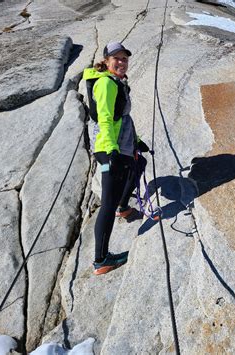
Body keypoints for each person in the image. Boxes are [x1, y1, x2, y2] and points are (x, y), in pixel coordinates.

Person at [83, 41, 149, 275]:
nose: (122, 62)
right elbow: (105, 119)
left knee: (139, 163)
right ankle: (101, 259)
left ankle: (124, 207)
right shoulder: (106, 84)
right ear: (106, 61)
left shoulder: (117, 82)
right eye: (117, 58)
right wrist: (111, 151)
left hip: (121, 143)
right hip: (109, 148)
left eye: (124, 58)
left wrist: (136, 139)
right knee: (107, 203)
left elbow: (122, 117)